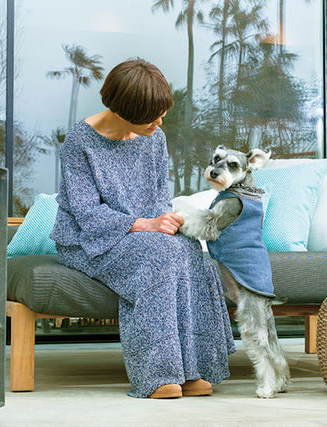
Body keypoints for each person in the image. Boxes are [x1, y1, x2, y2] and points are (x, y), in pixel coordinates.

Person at [50, 58, 235, 399]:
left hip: (143, 235)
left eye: (161, 113)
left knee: (188, 249)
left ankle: (191, 369)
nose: (159, 121)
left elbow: (159, 196)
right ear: (125, 109)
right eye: (152, 115)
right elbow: (86, 214)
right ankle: (156, 375)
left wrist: (166, 221)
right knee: (159, 256)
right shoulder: (80, 142)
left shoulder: (154, 137)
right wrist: (143, 224)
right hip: (89, 241)